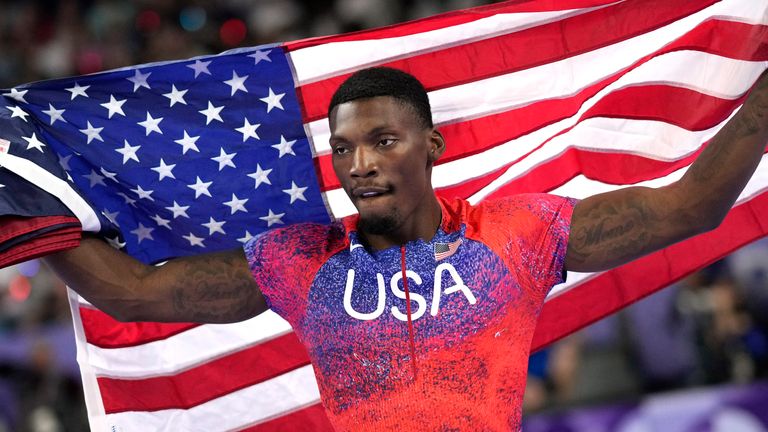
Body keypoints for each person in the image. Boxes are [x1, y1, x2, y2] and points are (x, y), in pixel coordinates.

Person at [44, 67, 768, 431]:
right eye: (344, 149)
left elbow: (693, 206)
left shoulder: (518, 235)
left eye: (382, 141)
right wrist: (26, 205)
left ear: (432, 144)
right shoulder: (301, 262)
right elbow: (134, 293)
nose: (360, 165)